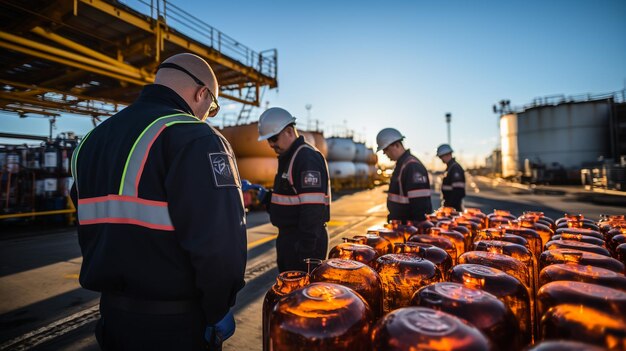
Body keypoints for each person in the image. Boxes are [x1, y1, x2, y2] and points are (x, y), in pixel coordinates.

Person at [70, 53, 247, 350]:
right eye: (212, 107)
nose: (207, 114)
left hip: (113, 320)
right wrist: (218, 308)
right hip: (176, 326)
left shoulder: (90, 142)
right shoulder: (195, 136)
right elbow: (220, 243)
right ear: (201, 93)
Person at [257, 107, 330, 273]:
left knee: (301, 293)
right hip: (290, 238)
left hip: (303, 242)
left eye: (273, 138)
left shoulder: (306, 158)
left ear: (289, 131)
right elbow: (291, 197)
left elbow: (313, 210)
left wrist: (305, 252)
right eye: (268, 140)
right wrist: (266, 198)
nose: (271, 144)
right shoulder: (290, 156)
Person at [376, 128, 432, 224]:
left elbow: (420, 206)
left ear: (396, 145)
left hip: (410, 229)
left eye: (385, 149)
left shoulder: (412, 166)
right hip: (401, 226)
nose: (384, 153)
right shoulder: (402, 165)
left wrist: (416, 232)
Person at [436, 143, 466, 211]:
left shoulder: (455, 168)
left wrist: (450, 208)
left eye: (441, 157)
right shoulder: (450, 168)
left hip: (454, 208)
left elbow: (458, 192)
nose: (441, 159)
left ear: (447, 154)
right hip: (450, 206)